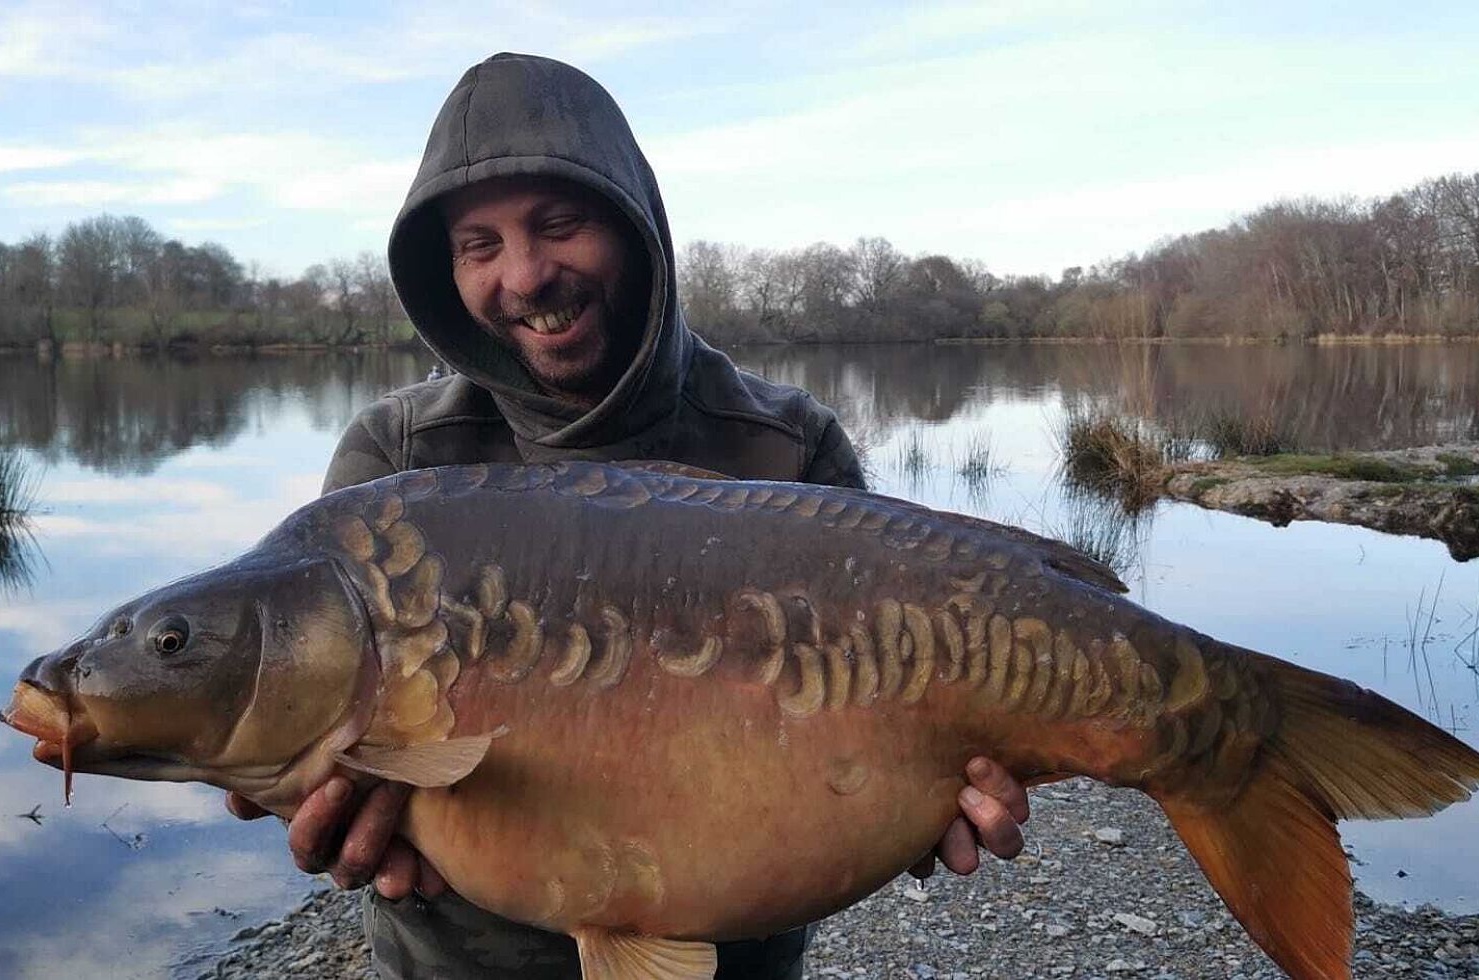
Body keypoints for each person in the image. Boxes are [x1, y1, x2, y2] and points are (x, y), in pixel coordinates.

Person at [227, 52, 1030, 979]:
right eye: (479, 246)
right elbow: (326, 750)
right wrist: (302, 795)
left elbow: (896, 714)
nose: (525, 276)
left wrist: (934, 801)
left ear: (637, 226)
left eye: (558, 225)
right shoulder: (395, 469)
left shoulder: (787, 449)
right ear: (444, 270)